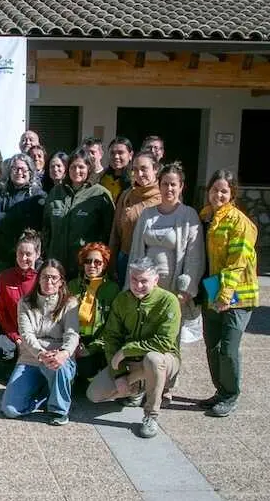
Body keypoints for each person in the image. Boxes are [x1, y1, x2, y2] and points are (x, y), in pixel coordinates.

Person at [87, 257, 181, 438]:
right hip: (130, 362)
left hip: (164, 358)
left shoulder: (168, 301)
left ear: (156, 280)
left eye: (144, 281)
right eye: (134, 280)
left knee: (153, 360)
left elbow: (163, 342)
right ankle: (137, 389)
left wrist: (125, 351)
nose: (138, 285)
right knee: (94, 394)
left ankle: (151, 415)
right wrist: (119, 375)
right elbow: (111, 337)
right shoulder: (122, 300)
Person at [198, 169, 258, 418]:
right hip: (212, 286)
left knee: (228, 347)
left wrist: (225, 295)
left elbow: (237, 261)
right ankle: (220, 391)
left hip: (237, 292)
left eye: (224, 191)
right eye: (215, 189)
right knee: (212, 345)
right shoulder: (206, 216)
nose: (218, 194)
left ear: (232, 193)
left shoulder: (239, 222)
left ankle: (231, 394)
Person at [128, 162, 204, 343]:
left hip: (174, 290)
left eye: (173, 184)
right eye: (164, 184)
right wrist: (131, 285)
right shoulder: (147, 214)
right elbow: (136, 253)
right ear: (159, 185)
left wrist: (185, 290)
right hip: (146, 288)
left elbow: (195, 256)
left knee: (169, 339)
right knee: (145, 335)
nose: (169, 188)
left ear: (181, 187)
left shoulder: (189, 215)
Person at [0, 259, 78, 426]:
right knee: (10, 410)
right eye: (44, 277)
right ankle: (45, 395)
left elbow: (72, 334)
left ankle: (59, 410)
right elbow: (26, 335)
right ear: (38, 278)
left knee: (59, 367)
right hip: (32, 357)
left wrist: (64, 353)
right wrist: (41, 353)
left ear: (61, 281)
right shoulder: (25, 303)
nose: (49, 282)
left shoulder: (70, 303)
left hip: (59, 359)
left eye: (53, 278)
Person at [43, 148, 114, 278]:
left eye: (81, 167)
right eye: (73, 167)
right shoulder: (55, 192)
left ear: (89, 168)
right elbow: (46, 227)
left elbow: (108, 232)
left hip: (85, 265)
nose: (77, 171)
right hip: (56, 264)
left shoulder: (100, 194)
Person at [0, 230, 41, 375]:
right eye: (20, 253)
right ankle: (11, 363)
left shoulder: (43, 278)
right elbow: (2, 313)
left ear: (37, 254)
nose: (24, 258)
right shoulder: (5, 277)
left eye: (28, 254)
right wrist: (16, 338)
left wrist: (31, 341)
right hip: (14, 332)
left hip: (38, 335)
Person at [68, 243, 120, 384]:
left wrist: (92, 349)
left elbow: (112, 326)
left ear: (104, 265)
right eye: (88, 261)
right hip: (73, 339)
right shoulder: (72, 285)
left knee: (87, 371)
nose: (92, 265)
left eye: (97, 262)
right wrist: (70, 343)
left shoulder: (112, 289)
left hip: (97, 344)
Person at [0, 153, 45, 278]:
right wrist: (19, 216)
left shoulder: (38, 196)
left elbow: (35, 223)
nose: (19, 172)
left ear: (30, 172)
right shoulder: (0, 192)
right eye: (15, 169)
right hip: (3, 255)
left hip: (28, 256)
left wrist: (5, 220)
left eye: (23, 169)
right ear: (9, 171)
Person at [110, 151, 161, 287]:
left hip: (151, 263)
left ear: (155, 169)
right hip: (125, 259)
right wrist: (112, 263)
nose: (139, 174)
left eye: (144, 169)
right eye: (135, 170)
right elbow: (115, 232)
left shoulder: (162, 198)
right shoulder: (127, 195)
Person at [101, 137, 134, 202]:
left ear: (130, 155)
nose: (116, 156)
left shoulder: (135, 179)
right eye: (112, 153)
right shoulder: (101, 178)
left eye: (120, 152)